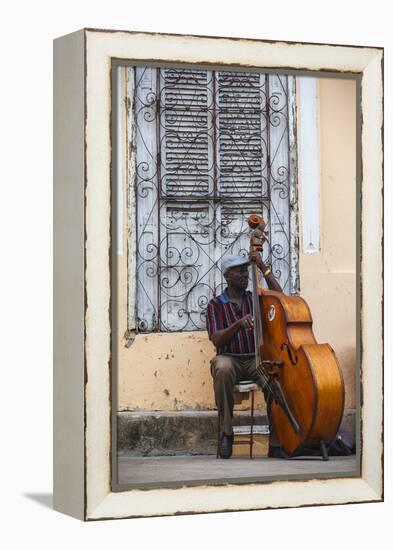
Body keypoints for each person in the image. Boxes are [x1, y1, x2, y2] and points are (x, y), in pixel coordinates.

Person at [206, 250, 283, 459]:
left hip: (253, 358)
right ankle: (226, 433)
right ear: (227, 276)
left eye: (245, 271)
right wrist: (238, 325)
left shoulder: (255, 299)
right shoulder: (215, 305)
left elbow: (280, 298)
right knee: (221, 368)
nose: (244, 275)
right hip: (229, 357)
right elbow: (216, 339)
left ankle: (277, 438)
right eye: (239, 272)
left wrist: (263, 267)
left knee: (275, 377)